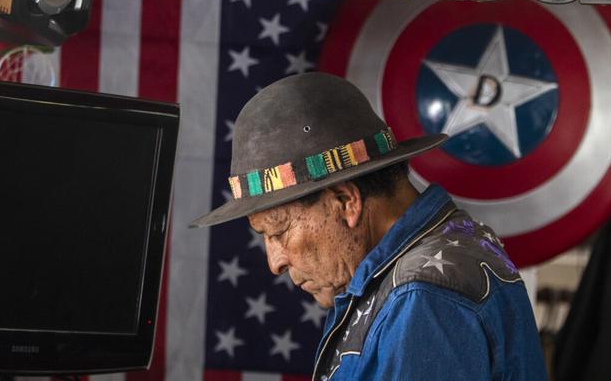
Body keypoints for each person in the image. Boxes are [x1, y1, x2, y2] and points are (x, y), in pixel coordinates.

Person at [191, 72, 547, 380]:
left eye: (279, 232)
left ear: (346, 202)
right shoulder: (441, 251)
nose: (275, 262)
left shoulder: (423, 298)